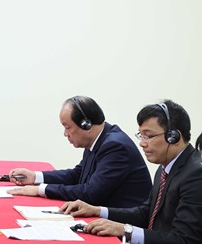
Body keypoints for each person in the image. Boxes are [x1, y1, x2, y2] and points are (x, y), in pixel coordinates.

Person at [61, 99, 202, 244]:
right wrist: (97, 211)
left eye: (148, 136)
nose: (142, 143)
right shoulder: (165, 167)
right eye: (141, 136)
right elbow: (144, 213)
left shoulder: (195, 174)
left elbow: (184, 239)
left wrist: (126, 230)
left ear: (173, 137)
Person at [7, 96, 152, 207]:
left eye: (67, 127)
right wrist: (35, 177)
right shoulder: (99, 139)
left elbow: (90, 193)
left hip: (123, 226)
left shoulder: (115, 147)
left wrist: (40, 190)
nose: (65, 133)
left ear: (86, 125)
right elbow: (78, 174)